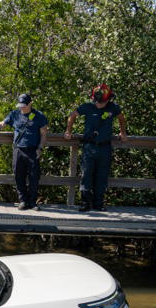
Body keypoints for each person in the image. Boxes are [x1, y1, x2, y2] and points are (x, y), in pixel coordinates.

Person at [64, 83, 128, 212]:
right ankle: (85, 203)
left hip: (105, 147)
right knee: (86, 174)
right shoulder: (87, 107)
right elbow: (72, 115)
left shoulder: (113, 108)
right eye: (97, 101)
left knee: (102, 176)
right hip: (89, 146)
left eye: (102, 102)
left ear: (108, 99)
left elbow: (122, 118)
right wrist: (68, 131)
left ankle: (98, 204)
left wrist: (123, 132)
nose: (99, 104)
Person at [0, 93, 48, 210]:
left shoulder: (39, 116)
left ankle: (33, 202)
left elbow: (44, 134)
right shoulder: (14, 114)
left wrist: (40, 148)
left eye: (24, 105)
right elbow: (2, 124)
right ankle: (23, 201)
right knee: (19, 176)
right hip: (18, 149)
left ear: (30, 104)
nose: (21, 107)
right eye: (20, 105)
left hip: (33, 150)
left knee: (34, 177)